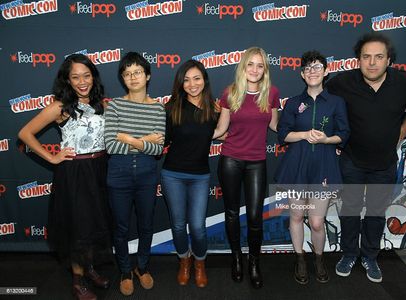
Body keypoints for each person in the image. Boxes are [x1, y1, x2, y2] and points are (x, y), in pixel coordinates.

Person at [327, 32, 406, 283]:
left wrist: (405, 128)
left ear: (389, 61)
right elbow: (322, 102)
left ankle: (370, 257)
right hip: (351, 160)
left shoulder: (404, 82)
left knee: (375, 212)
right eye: (366, 57)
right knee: (350, 211)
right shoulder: (342, 82)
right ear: (358, 60)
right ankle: (349, 254)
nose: (372, 62)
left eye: (378, 57)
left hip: (385, 163)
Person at [18, 54, 112, 300]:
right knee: (79, 229)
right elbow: (25, 133)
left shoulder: (102, 104)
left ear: (94, 77)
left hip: (100, 168)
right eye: (75, 77)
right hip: (75, 172)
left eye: (87, 75)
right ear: (67, 80)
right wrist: (51, 158)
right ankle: (78, 281)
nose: (82, 81)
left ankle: (90, 269)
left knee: (94, 226)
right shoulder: (60, 106)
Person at [275, 50, 350, 284]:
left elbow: (344, 134)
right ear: (301, 74)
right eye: (308, 68)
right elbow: (283, 135)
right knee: (296, 216)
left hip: (324, 167)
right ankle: (299, 259)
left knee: (317, 222)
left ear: (326, 71)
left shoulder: (336, 102)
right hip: (297, 167)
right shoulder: (293, 103)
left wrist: (325, 140)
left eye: (317, 67)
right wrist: (305, 134)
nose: (312, 71)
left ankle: (318, 259)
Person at [213, 46, 279, 289]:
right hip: (230, 158)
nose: (254, 69)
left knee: (254, 216)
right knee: (231, 213)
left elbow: (275, 126)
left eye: (260, 65)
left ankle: (254, 261)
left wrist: (305, 130)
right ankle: (236, 258)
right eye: (250, 64)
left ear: (265, 70)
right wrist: (193, 135)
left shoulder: (271, 93)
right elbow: (221, 129)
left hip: (256, 162)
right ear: (243, 66)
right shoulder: (230, 93)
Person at [104, 52, 165, 296]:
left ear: (147, 75)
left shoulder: (158, 108)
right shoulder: (115, 105)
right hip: (118, 171)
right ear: (122, 78)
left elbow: (157, 148)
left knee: (146, 224)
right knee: (120, 227)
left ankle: (142, 266)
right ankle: (125, 270)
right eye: (127, 73)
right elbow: (111, 145)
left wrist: (127, 137)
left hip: (147, 173)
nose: (133, 77)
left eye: (137, 72)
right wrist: (143, 139)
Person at [161, 59, 218, 288]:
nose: (192, 84)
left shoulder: (214, 109)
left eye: (196, 78)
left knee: (197, 226)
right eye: (186, 79)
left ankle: (200, 263)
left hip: (200, 176)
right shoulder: (170, 108)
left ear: (204, 80)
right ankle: (184, 261)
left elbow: (223, 132)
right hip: (172, 174)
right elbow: (162, 140)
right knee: (177, 225)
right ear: (180, 83)